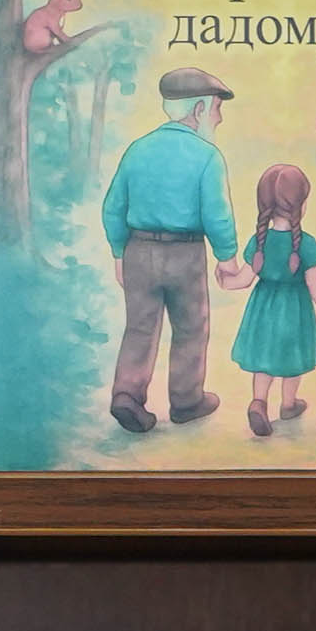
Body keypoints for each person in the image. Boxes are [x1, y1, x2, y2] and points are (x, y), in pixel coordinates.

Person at [98, 68, 245, 431]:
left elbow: (113, 207)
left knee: (139, 327)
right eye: (216, 109)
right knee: (191, 328)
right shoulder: (207, 156)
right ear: (198, 109)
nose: (220, 118)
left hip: (138, 250)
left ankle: (127, 396)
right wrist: (227, 258)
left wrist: (118, 252)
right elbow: (217, 215)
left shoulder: (136, 150)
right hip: (186, 255)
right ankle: (186, 401)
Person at [223, 162, 316, 437]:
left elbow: (243, 280)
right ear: (301, 204)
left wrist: (224, 280)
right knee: (292, 358)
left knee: (264, 359)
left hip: (263, 310)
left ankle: (258, 402)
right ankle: (288, 404)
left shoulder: (259, 242)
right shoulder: (307, 244)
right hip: (294, 311)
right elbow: (314, 283)